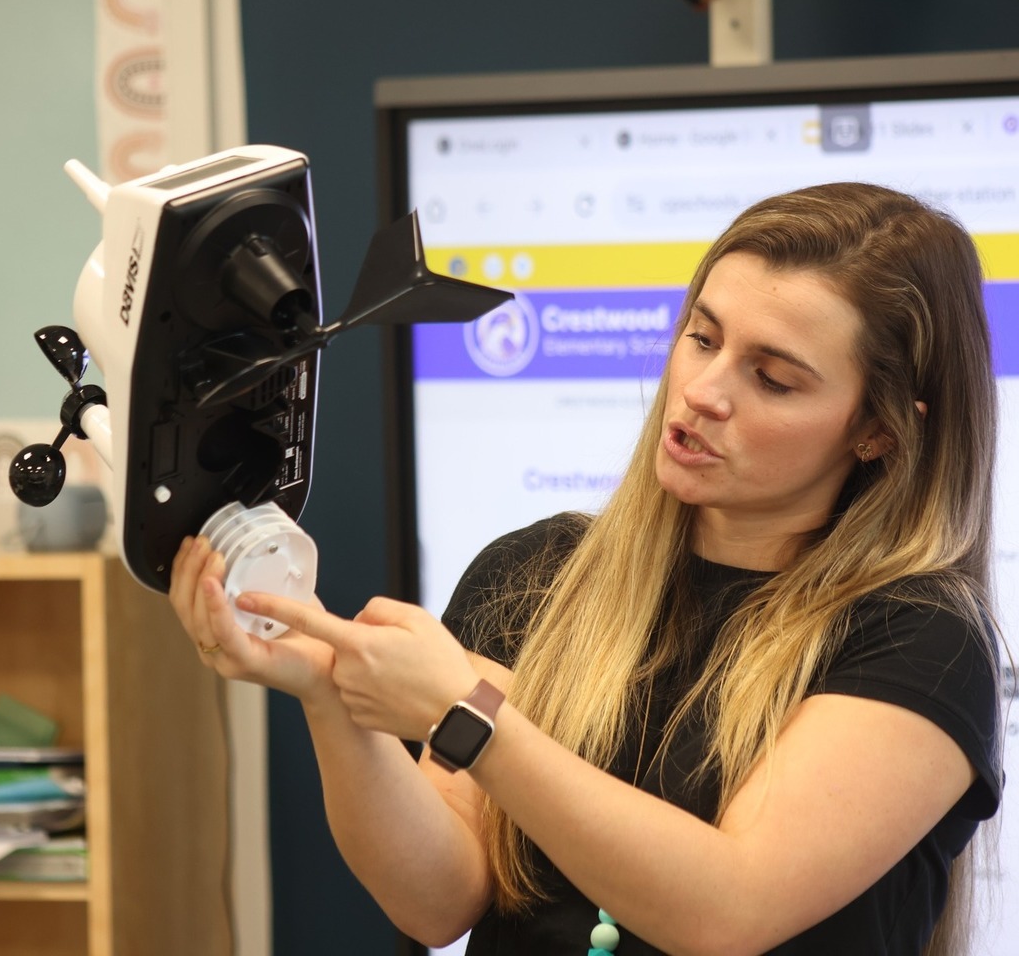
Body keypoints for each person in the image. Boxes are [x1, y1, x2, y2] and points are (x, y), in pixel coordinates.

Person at [169, 182, 1003, 956]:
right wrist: (331, 696)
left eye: (774, 379)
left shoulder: (920, 639)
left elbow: (730, 906)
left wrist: (467, 720)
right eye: (701, 338)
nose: (705, 392)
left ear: (881, 432)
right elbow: (437, 899)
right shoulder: (540, 572)